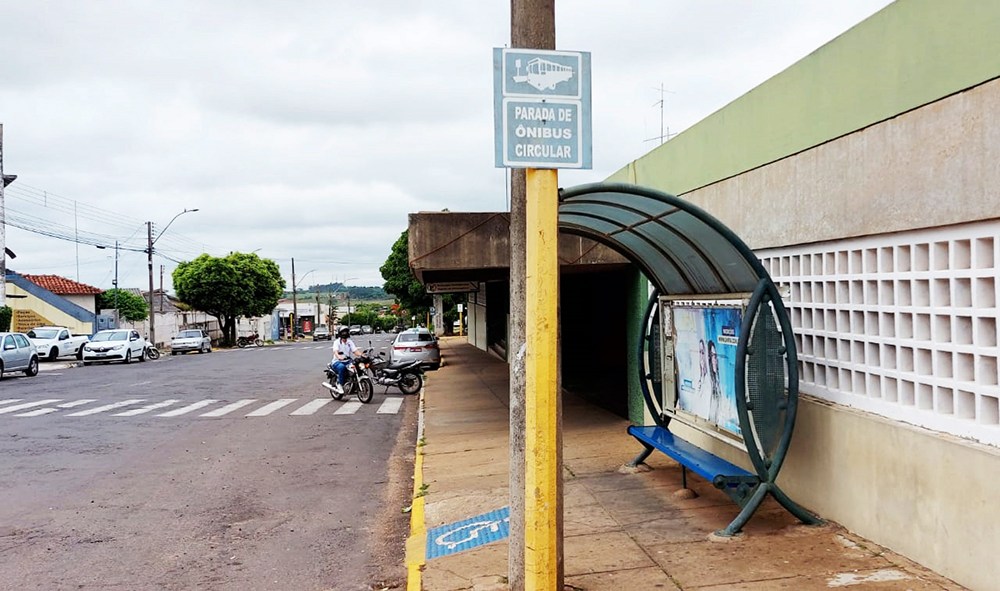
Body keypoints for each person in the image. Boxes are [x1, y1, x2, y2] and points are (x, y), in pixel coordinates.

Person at [330, 327, 360, 394]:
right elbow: (335, 351)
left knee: (357, 367)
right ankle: (340, 384)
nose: (345, 333)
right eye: (343, 332)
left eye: (346, 332)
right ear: (340, 333)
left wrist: (362, 355)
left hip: (348, 361)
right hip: (337, 361)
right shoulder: (337, 342)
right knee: (342, 368)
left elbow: (355, 351)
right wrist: (339, 357)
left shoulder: (349, 342)